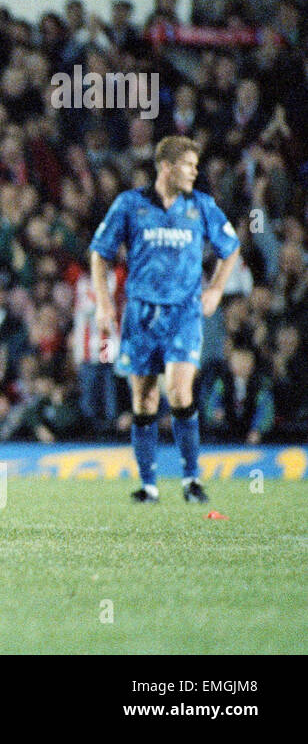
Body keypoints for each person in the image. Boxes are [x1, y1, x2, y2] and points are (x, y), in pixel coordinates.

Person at [90, 135, 241, 504]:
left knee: (178, 391)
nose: (195, 171)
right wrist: (105, 304)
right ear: (167, 166)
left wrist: (216, 289)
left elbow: (231, 246)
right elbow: (99, 253)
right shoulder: (130, 205)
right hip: (141, 313)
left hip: (184, 312)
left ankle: (191, 479)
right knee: (143, 400)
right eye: (189, 165)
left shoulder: (201, 206)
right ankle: (149, 485)